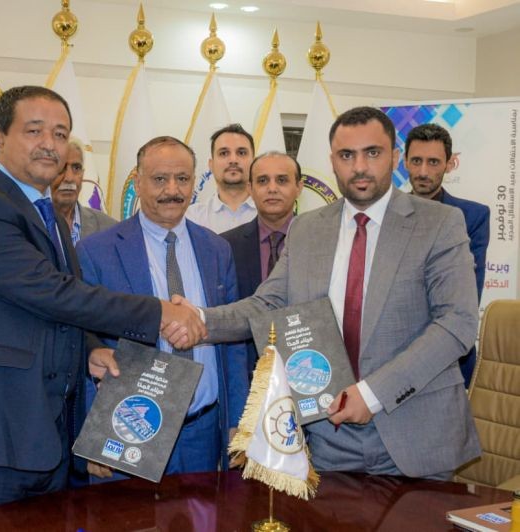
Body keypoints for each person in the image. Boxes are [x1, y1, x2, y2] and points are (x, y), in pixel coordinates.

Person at [0, 86, 204, 529]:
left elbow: (48, 312)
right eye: (34, 131)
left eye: (60, 133)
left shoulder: (44, 211)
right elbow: (51, 292)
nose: (50, 144)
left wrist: (88, 349)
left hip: (38, 441)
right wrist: (159, 312)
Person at [168, 107, 481, 480]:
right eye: (347, 155)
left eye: (372, 153)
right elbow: (267, 303)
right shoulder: (307, 228)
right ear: (332, 161)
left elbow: (457, 323)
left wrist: (372, 394)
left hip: (415, 433)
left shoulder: (439, 223)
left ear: (395, 157)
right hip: (329, 435)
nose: (359, 167)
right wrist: (201, 319)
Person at [77, 136, 248, 478]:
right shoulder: (96, 251)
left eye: (182, 178)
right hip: (127, 432)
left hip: (203, 431)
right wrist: (92, 434)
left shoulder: (217, 250)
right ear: (137, 182)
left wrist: (238, 423)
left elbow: (233, 343)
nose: (172, 189)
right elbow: (81, 338)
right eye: (159, 179)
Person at [404, 123, 490, 387]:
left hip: (451, 359)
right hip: (393, 356)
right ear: (404, 162)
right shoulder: (383, 215)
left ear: (449, 164)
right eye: (416, 161)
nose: (423, 171)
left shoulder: (472, 216)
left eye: (433, 162)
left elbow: (465, 297)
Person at [221, 151, 303, 375]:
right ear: (250, 188)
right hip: (245, 373)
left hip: (307, 369)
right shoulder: (224, 246)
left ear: (299, 187)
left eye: (282, 180)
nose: (272, 188)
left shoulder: (319, 242)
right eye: (263, 181)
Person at [186, 124, 257, 233]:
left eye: (241, 153)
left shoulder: (272, 213)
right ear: (211, 165)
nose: (233, 160)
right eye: (224, 153)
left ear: (254, 163)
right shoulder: (192, 218)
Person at [52, 137, 116, 245]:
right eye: (61, 167)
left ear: (83, 173)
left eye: (76, 168)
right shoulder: (28, 225)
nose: (69, 178)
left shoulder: (109, 229)